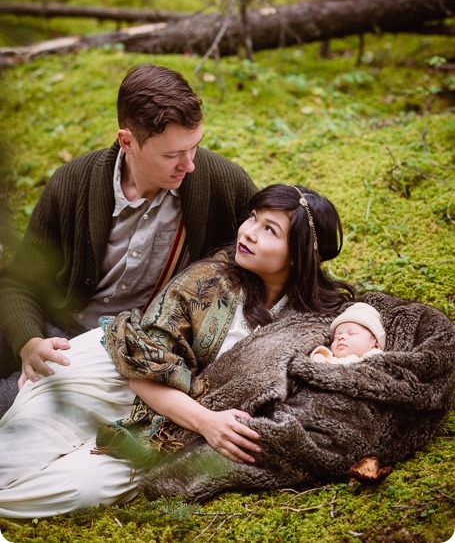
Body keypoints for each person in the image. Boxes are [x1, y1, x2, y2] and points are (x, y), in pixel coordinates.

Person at [0, 184, 355, 518]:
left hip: (162, 427)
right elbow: (140, 371)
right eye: (252, 218)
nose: (247, 232)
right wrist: (207, 422)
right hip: (110, 375)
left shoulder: (308, 316)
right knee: (11, 459)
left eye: (269, 230)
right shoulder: (210, 278)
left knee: (80, 489)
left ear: (299, 254)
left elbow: (362, 331)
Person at [0, 63, 257, 415]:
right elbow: (18, 285)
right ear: (127, 141)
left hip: (127, 352)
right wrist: (28, 341)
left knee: (13, 409)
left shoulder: (220, 182)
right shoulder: (72, 182)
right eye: (171, 155)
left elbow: (285, 245)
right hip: (57, 326)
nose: (189, 165)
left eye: (194, 146)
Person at [309, 301, 386, 364]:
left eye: (351, 333)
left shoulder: (373, 358)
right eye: (336, 337)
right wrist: (319, 355)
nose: (341, 337)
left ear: (375, 345)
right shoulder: (331, 359)